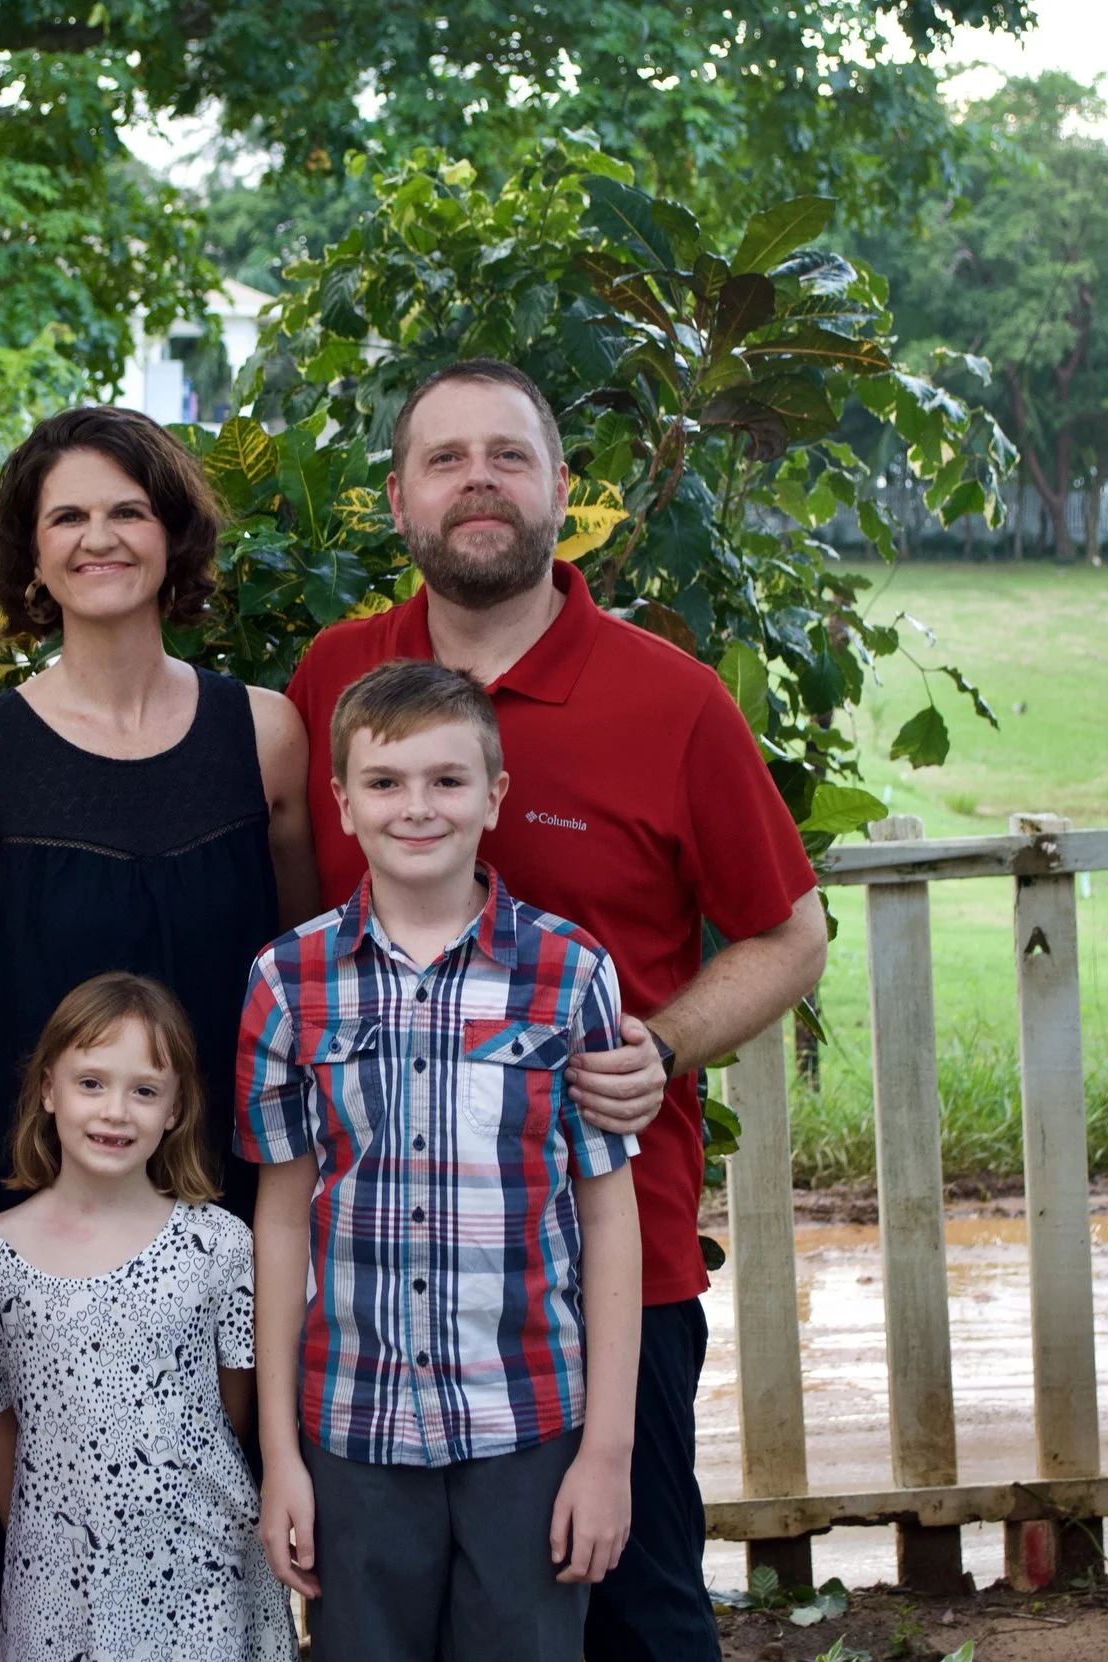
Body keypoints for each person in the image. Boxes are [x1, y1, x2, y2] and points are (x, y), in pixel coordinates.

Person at [280, 361, 828, 1659]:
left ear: (562, 492)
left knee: (634, 1607)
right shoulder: (334, 680)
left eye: (510, 456)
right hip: (386, 1272)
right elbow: (303, 928)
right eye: (447, 457)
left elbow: (791, 930)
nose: (480, 480)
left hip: (605, 1251)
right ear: (399, 498)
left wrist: (660, 1045)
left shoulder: (669, 697)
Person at [0, 406, 315, 1654]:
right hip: (32, 1215)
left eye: (126, 508)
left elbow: (307, 978)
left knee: (227, 1522)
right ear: (29, 559)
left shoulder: (265, 733)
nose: (98, 537)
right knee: (36, 1546)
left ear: (171, 533)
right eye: (65, 516)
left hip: (233, 1203)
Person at [239, 659, 642, 1660]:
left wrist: (606, 1455)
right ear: (340, 802)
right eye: (384, 782)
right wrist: (281, 1455)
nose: (416, 806)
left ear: (494, 797)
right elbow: (282, 1218)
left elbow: (607, 1218)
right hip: (352, 1430)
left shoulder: (568, 972)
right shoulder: (287, 983)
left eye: (447, 780)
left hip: (530, 1426)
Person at [0, 973, 296, 1662]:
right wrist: (55, 1541)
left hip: (202, 1573)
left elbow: (234, 1409)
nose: (115, 1111)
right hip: (57, 1586)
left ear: (175, 1108)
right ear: (48, 1090)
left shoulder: (218, 1245)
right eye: (92, 1083)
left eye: (144, 1090)